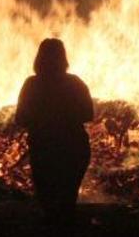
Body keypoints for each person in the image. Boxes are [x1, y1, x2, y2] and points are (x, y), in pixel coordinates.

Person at [15, 38, 93, 225]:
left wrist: (42, 119)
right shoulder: (75, 83)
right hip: (74, 148)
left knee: (47, 201)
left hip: (44, 149)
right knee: (67, 200)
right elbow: (88, 114)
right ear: (63, 58)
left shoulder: (31, 85)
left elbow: (20, 119)